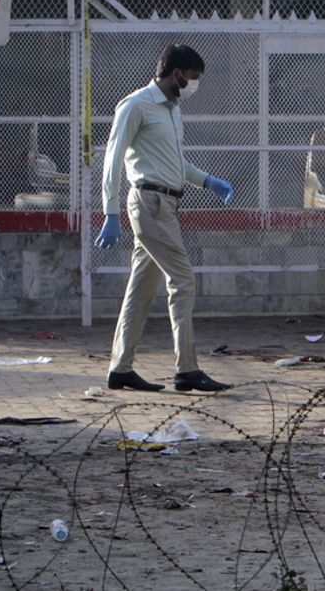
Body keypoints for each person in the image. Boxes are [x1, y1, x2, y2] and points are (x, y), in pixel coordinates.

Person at [94, 44, 235, 393]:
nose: (193, 85)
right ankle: (186, 369)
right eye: (192, 78)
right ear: (175, 74)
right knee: (183, 280)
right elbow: (111, 161)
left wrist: (208, 182)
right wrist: (110, 212)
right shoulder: (136, 105)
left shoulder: (171, 110)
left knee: (140, 291)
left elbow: (176, 164)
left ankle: (120, 368)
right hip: (149, 202)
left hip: (166, 204)